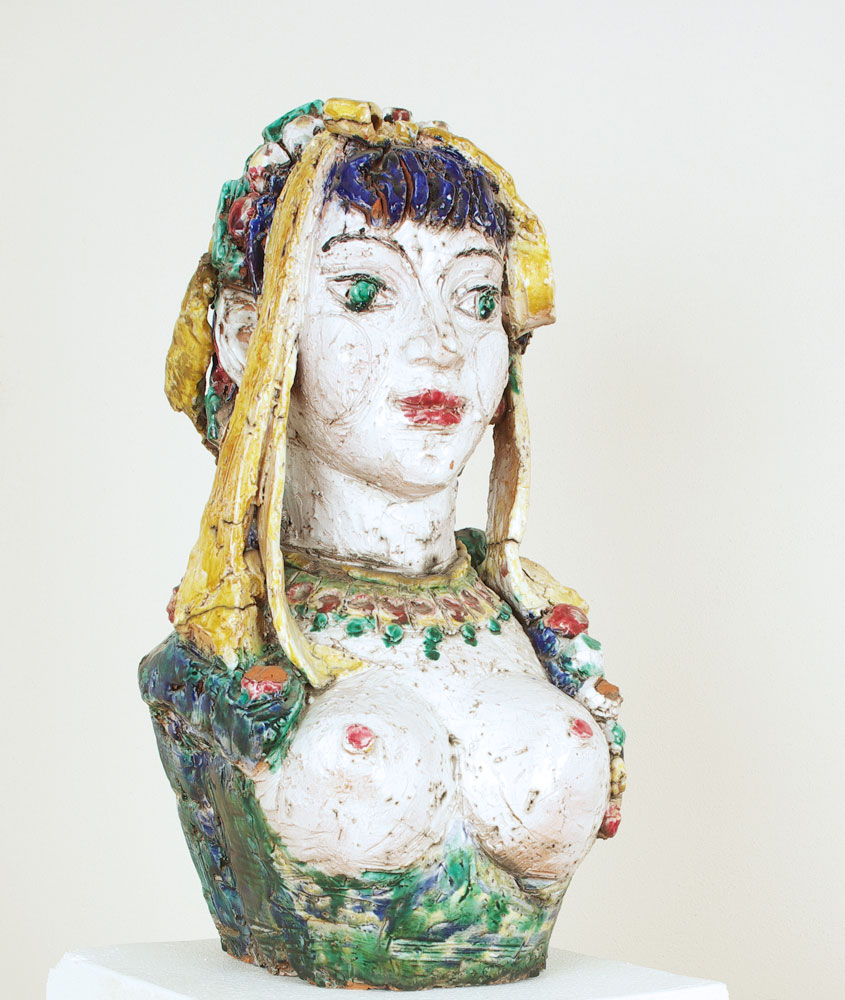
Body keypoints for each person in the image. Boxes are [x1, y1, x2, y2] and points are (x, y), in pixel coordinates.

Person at [141, 98, 625, 989]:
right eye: (364, 293)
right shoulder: (231, 642)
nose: (440, 346)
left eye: (477, 300)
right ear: (248, 338)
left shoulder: (537, 619)